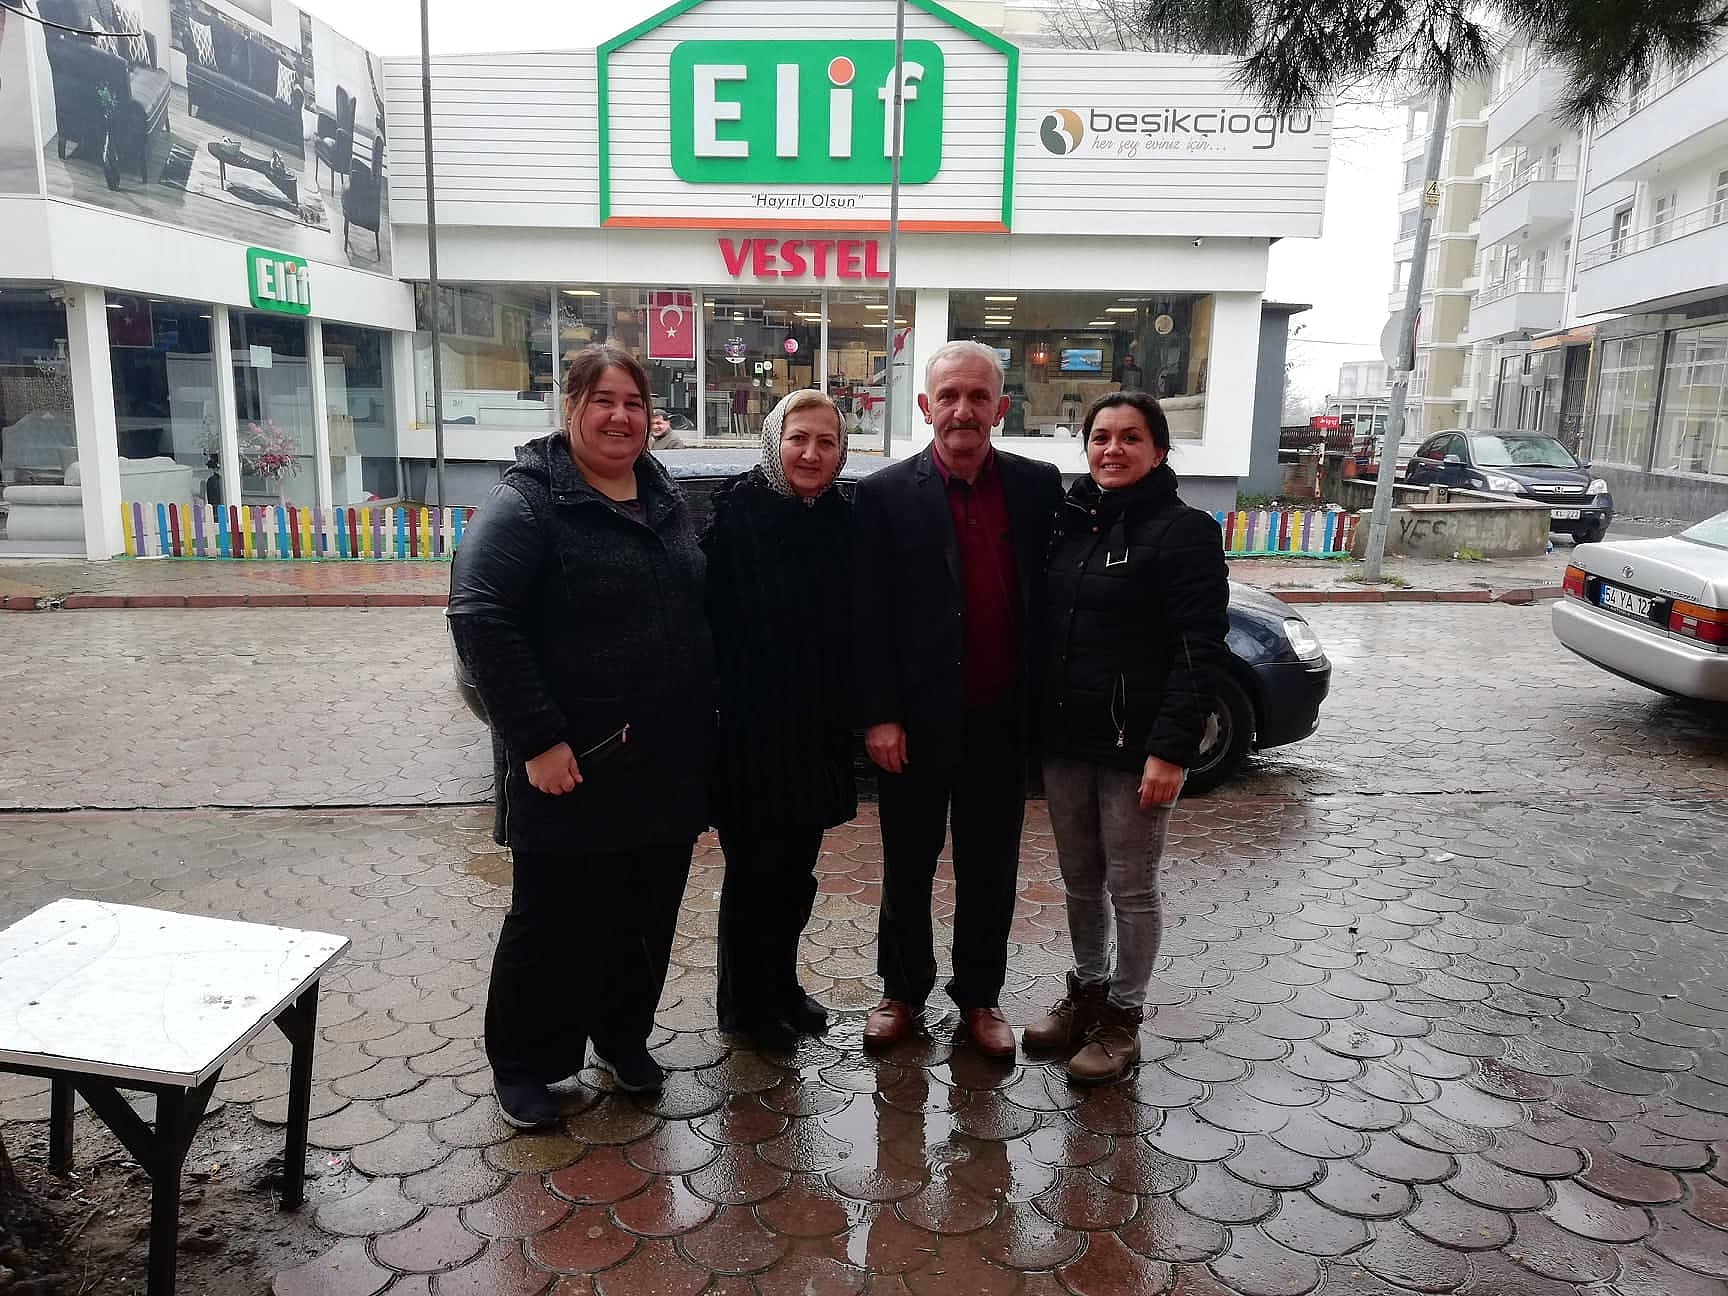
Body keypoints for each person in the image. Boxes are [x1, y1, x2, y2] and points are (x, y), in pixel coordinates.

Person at [447, 344, 713, 1130]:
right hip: (573, 763)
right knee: (554, 918)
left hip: (662, 760)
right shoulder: (529, 502)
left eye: (633, 402)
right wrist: (537, 739)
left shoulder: (661, 493)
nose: (620, 416)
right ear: (570, 407)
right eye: (604, 400)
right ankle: (524, 1064)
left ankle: (622, 1038)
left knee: (645, 913)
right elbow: (479, 615)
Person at [853, 341, 1063, 1059]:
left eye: (978, 396)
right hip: (912, 724)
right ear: (925, 406)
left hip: (1001, 718)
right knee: (907, 863)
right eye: (949, 396)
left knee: (991, 866)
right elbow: (868, 615)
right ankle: (901, 990)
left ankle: (979, 996)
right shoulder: (883, 495)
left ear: (1000, 407)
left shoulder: (1037, 488)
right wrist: (879, 713)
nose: (963, 410)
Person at [1024, 391, 1228, 1084]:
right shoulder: (1070, 524)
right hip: (1066, 740)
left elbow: (1200, 648)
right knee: (1080, 879)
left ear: (1158, 450)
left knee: (1131, 887)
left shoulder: (1184, 530)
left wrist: (1171, 750)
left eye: (1130, 437)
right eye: (1100, 437)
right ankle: (1088, 989)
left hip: (1136, 747)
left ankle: (1123, 1017)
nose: (1112, 449)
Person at [703, 389, 856, 1051]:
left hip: (814, 731)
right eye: (798, 438)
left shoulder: (840, 517)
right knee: (754, 876)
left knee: (796, 875)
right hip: (749, 732)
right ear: (774, 442)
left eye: (826, 441)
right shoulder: (736, 513)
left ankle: (781, 984)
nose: (811, 453)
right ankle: (745, 1005)